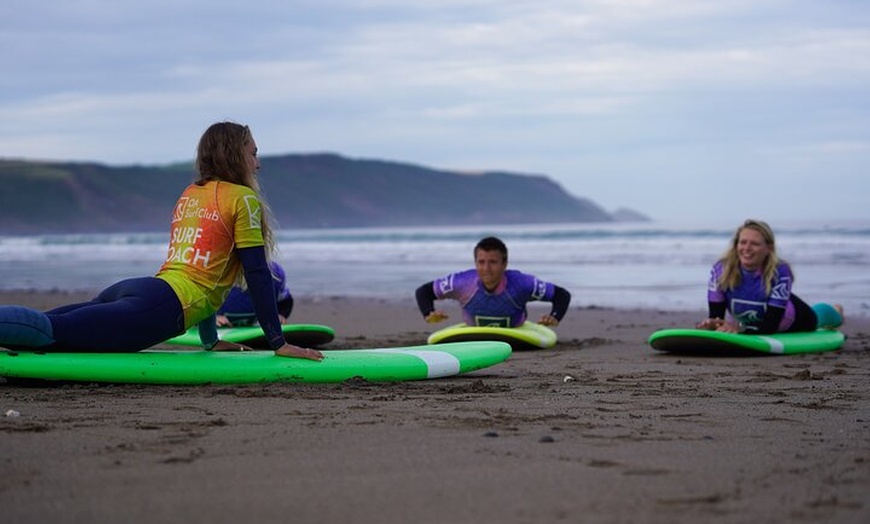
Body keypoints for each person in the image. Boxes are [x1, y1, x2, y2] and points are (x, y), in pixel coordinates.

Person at [0, 122, 322, 361]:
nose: (258, 163)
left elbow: (202, 273)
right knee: (52, 333)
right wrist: (278, 342)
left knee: (48, 326)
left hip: (140, 289)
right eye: (253, 153)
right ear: (235, 155)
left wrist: (210, 340)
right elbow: (256, 274)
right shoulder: (242, 199)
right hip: (160, 308)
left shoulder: (192, 194)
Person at [696, 219, 843, 334]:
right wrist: (712, 324)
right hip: (748, 324)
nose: (746, 248)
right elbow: (716, 317)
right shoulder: (721, 270)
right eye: (743, 242)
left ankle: (836, 311)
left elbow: (770, 325)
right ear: (736, 245)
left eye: (754, 244)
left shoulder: (780, 272)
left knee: (816, 317)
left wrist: (739, 328)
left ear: (768, 248)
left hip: (794, 319)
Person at [415, 236, 571, 328]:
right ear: (475, 263)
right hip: (474, 335)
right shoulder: (462, 282)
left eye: (493, 262)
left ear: (504, 264)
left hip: (515, 335)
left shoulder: (522, 284)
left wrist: (554, 316)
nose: (486, 268)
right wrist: (429, 313)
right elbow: (424, 291)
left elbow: (562, 295)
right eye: (481, 262)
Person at [216, 261, 294, 327]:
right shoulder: (212, 273)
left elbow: (285, 302)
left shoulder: (275, 275)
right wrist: (210, 319)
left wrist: (280, 315)